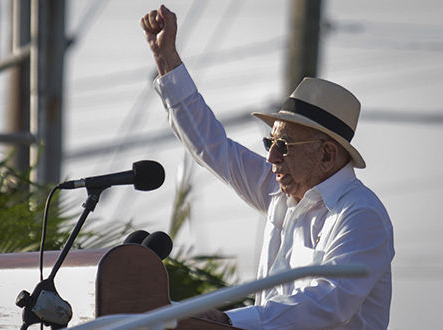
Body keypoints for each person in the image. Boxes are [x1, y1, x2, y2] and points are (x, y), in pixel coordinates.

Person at [141, 5, 394, 330]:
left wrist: (228, 319)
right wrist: (166, 60)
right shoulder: (282, 191)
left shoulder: (361, 215)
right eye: (269, 143)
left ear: (328, 155)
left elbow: (326, 303)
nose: (272, 157)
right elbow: (212, 147)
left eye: (284, 146)